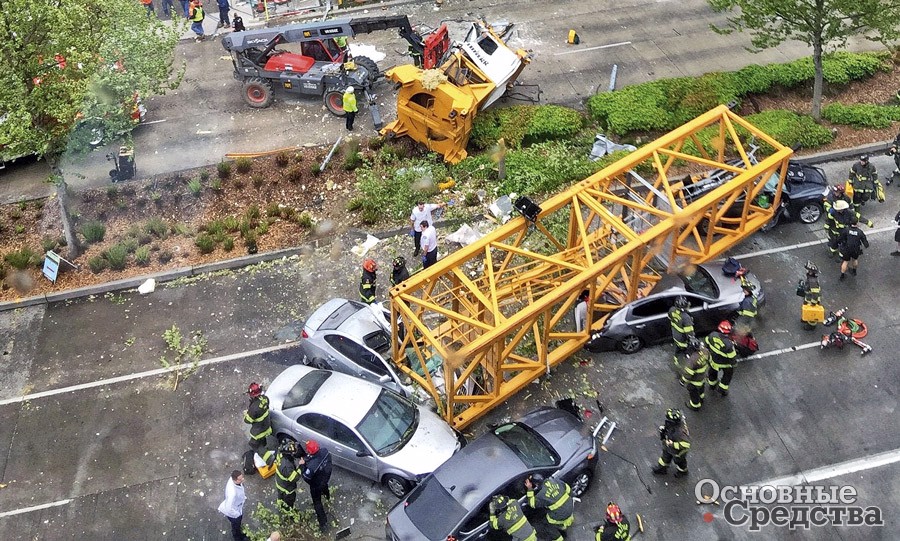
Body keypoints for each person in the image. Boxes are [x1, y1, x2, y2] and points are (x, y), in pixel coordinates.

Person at [525, 473, 573, 541]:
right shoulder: (555, 481)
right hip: (570, 507)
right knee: (556, 514)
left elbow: (532, 504)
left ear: (536, 484)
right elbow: (569, 490)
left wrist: (529, 489)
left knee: (547, 523)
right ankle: (562, 526)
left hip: (562, 514)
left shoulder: (541, 495)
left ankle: (558, 538)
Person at [299, 439, 332, 532]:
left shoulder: (312, 466)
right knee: (325, 487)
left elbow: (306, 477)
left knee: (317, 503)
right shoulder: (325, 451)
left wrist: (302, 465)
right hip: (326, 477)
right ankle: (327, 496)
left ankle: (323, 524)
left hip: (316, 485)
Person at [652, 408, 691, 478]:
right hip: (669, 447)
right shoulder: (673, 424)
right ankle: (662, 469)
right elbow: (669, 428)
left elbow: (686, 444)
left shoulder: (680, 432)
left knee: (680, 462)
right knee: (665, 457)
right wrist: (664, 429)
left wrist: (672, 444)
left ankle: (683, 472)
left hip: (678, 452)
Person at [705, 320, 737, 397]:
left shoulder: (712, 335)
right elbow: (732, 357)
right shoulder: (729, 344)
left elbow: (706, 344)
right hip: (725, 364)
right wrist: (734, 364)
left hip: (713, 360)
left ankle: (712, 385)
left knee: (712, 372)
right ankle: (722, 389)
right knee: (727, 375)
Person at [217, 470, 250, 541]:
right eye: (240, 479)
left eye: (242, 477)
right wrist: (236, 514)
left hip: (237, 506)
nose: (243, 479)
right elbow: (229, 508)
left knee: (237, 525)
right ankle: (238, 538)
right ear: (235, 480)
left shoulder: (233, 480)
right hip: (234, 512)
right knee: (236, 525)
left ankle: (238, 533)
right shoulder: (232, 493)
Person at [681, 337, 710, 411]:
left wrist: (682, 380)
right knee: (701, 387)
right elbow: (709, 360)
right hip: (703, 376)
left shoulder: (692, 359)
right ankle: (701, 397)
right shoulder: (705, 351)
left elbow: (688, 373)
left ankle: (695, 405)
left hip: (695, 380)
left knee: (692, 390)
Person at [668, 295, 694, 373]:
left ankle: (676, 359)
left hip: (675, 334)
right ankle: (684, 363)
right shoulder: (686, 318)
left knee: (677, 347)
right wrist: (692, 340)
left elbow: (670, 318)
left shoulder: (672, 310)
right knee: (685, 350)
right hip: (683, 339)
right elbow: (689, 333)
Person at [243, 382, 272, 450]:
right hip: (267, 427)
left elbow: (247, 420)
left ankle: (260, 454)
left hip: (258, 433)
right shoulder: (265, 398)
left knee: (256, 447)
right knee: (267, 442)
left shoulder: (254, 408)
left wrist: (246, 414)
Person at [275, 441, 300, 510]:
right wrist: (301, 466)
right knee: (289, 502)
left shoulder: (280, 452)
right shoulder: (287, 467)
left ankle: (280, 505)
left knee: (280, 496)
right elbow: (294, 478)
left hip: (279, 482)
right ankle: (288, 513)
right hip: (287, 488)